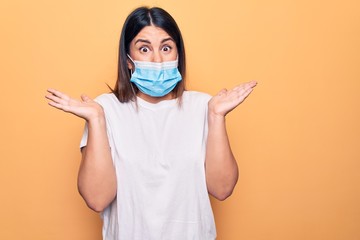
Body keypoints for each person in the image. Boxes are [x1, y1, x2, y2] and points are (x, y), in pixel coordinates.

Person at [45, 6, 257, 240]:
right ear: (128, 60)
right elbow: (97, 199)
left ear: (178, 55)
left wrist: (216, 117)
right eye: (144, 49)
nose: (157, 59)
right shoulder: (105, 110)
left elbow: (222, 189)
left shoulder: (204, 107)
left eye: (166, 48)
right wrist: (96, 120)